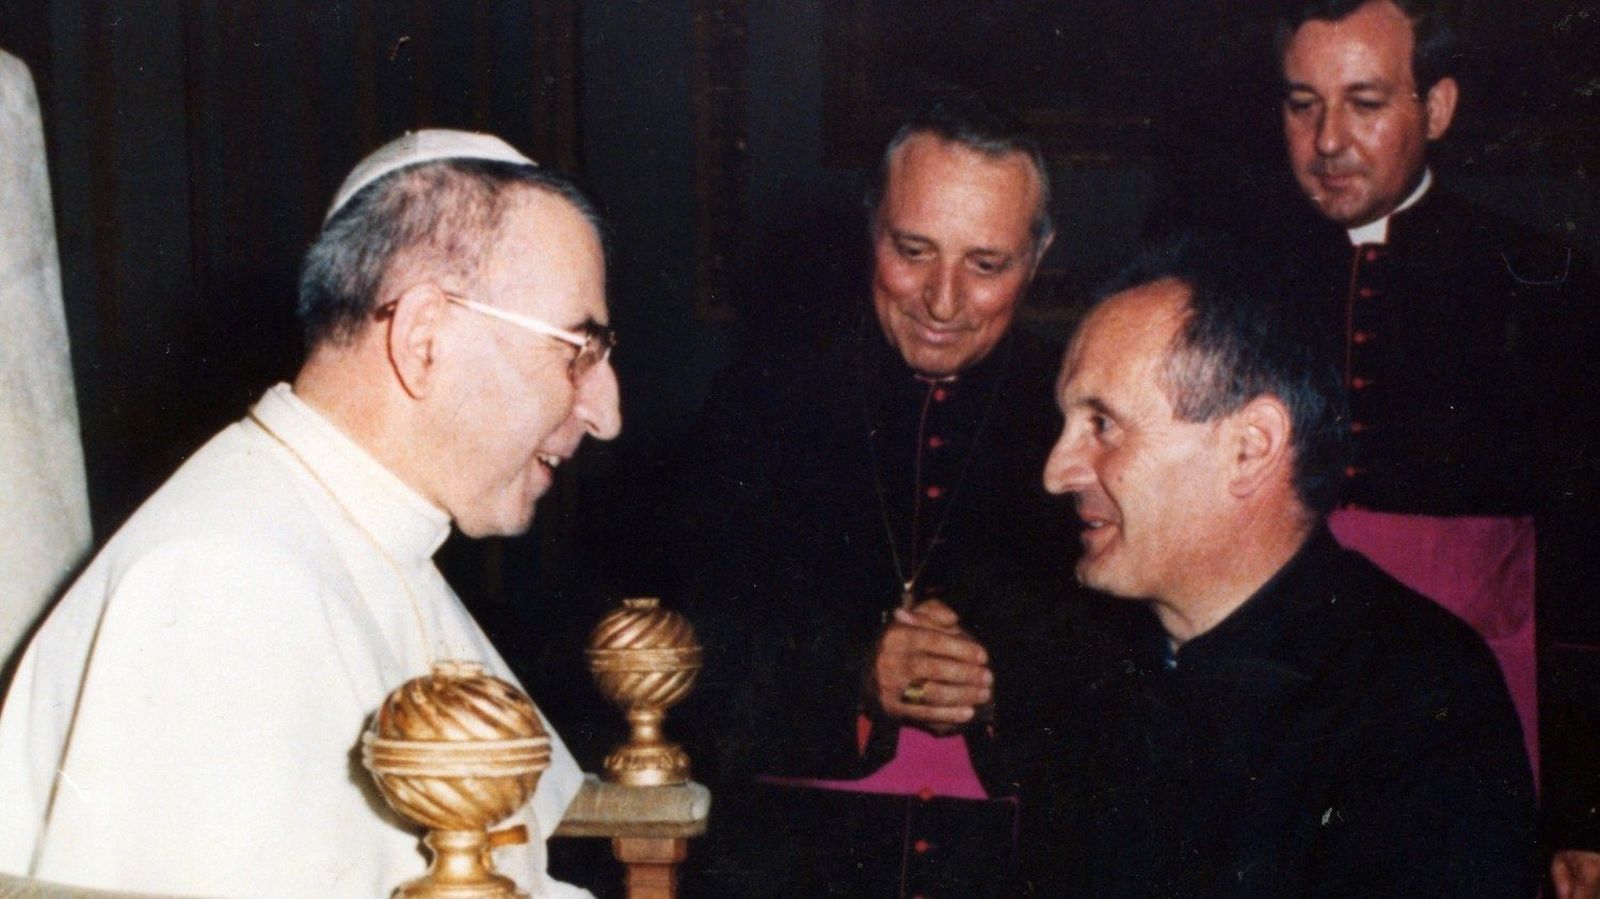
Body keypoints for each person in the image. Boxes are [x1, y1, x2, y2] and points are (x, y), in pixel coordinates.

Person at [0, 130, 620, 897]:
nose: (606, 413)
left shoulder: (362, 533)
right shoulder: (222, 581)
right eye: (580, 351)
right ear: (424, 339)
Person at [1021, 231, 1537, 896]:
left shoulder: (1419, 695)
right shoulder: (1089, 660)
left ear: (1250, 448)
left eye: (1103, 425)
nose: (1056, 472)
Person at [671, 92, 1090, 895]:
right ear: (872, 230)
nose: (942, 300)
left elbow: (1137, 666)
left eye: (986, 265)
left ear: (1038, 255)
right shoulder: (764, 401)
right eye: (913, 250)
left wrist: (998, 683)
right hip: (796, 861)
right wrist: (856, 676)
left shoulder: (1083, 412)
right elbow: (689, 649)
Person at [1273, 1, 1600, 892]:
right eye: (1303, 104)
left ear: (1440, 107)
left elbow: (1585, 564)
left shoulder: (1543, 280)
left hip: (1473, 703)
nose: (1328, 140)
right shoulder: (1231, 269)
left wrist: (1583, 807)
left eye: (1365, 103)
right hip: (1279, 700)